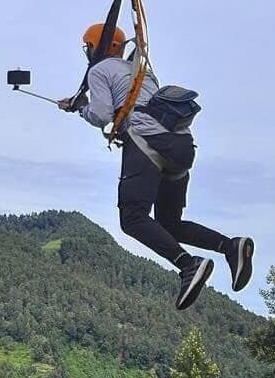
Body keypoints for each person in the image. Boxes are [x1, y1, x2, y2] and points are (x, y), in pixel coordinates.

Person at [58, 23, 255, 310]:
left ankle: (189, 265)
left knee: (133, 218)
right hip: (181, 146)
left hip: (145, 144)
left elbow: (100, 115)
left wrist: (81, 109)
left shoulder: (98, 71)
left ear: (95, 47)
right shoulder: (142, 71)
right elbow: (128, 100)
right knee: (168, 224)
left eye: (88, 47)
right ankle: (230, 246)